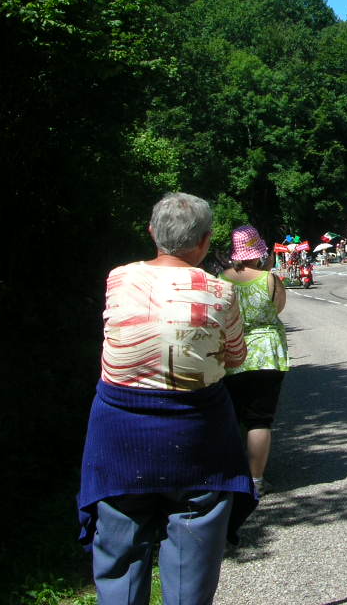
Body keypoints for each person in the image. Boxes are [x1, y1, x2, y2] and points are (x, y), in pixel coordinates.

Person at [77, 192, 256, 605]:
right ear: (206, 242)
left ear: (152, 232)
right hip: (198, 434)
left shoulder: (118, 278)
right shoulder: (222, 293)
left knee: (120, 545)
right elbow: (235, 357)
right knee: (193, 550)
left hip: (120, 433)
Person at [220, 225, 289, 497]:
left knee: (232, 416)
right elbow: (279, 308)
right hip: (266, 354)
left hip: (231, 353)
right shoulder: (269, 279)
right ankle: (257, 479)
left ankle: (230, 477)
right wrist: (269, 271)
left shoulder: (221, 278)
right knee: (260, 420)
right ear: (258, 251)